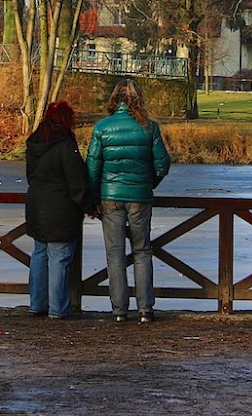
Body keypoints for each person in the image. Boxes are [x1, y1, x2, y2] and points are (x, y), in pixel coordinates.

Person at [86, 77, 171, 323]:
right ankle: (145, 309)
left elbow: (92, 168)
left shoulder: (102, 127)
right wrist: (148, 184)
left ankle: (119, 310)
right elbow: (162, 164)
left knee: (115, 255)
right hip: (140, 198)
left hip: (110, 197)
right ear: (138, 99)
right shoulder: (150, 127)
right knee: (142, 251)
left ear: (115, 99)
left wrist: (93, 200)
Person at [24, 100, 95, 319]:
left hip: (36, 205)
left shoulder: (33, 143)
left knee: (40, 253)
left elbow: (30, 176)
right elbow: (77, 182)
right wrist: (90, 206)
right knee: (59, 257)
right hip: (61, 209)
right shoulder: (66, 145)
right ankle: (58, 308)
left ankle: (37, 304)